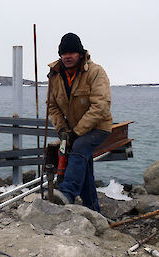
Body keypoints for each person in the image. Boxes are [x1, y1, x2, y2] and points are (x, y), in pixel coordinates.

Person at [47, 33, 113, 212]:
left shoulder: (95, 72)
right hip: (74, 129)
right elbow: (53, 107)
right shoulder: (55, 75)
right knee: (84, 166)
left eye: (72, 52)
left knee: (79, 147)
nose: (67, 56)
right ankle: (92, 209)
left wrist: (76, 133)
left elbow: (101, 107)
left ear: (80, 53)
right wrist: (63, 130)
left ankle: (67, 193)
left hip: (98, 127)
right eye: (64, 53)